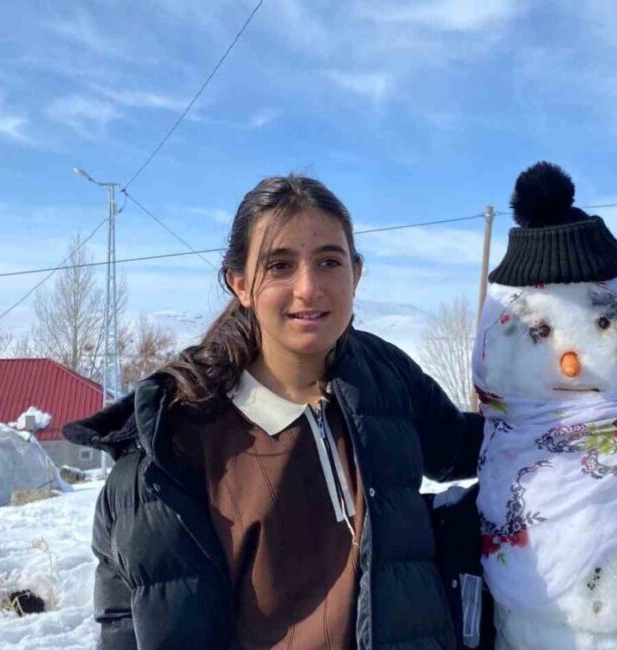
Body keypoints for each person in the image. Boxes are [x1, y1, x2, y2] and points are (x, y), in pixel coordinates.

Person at [65, 175, 484, 650]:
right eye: (280, 265)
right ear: (240, 284)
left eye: (329, 261)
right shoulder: (176, 440)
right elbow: (126, 615)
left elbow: (469, 448)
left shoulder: (384, 377)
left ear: (357, 274)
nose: (309, 288)